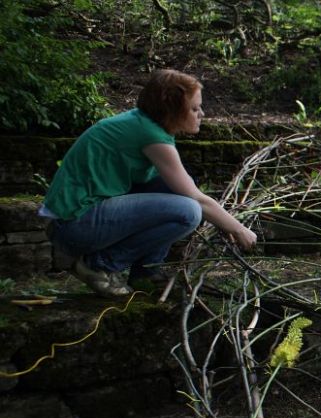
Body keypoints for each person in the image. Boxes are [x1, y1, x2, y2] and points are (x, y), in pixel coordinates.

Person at [40, 69, 257, 297]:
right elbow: (197, 200)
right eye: (194, 108)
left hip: (74, 221)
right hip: (74, 225)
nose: (201, 113)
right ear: (171, 109)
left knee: (174, 188)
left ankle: (146, 274)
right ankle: (99, 265)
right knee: (188, 211)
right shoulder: (150, 135)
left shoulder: (143, 123)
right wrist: (238, 228)